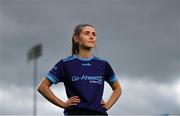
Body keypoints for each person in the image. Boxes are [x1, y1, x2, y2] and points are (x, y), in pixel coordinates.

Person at [38, 24, 122, 115]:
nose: (91, 36)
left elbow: (117, 89)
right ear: (76, 39)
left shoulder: (103, 64)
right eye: (87, 33)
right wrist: (63, 104)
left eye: (94, 34)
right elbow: (42, 87)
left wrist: (108, 104)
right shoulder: (65, 64)